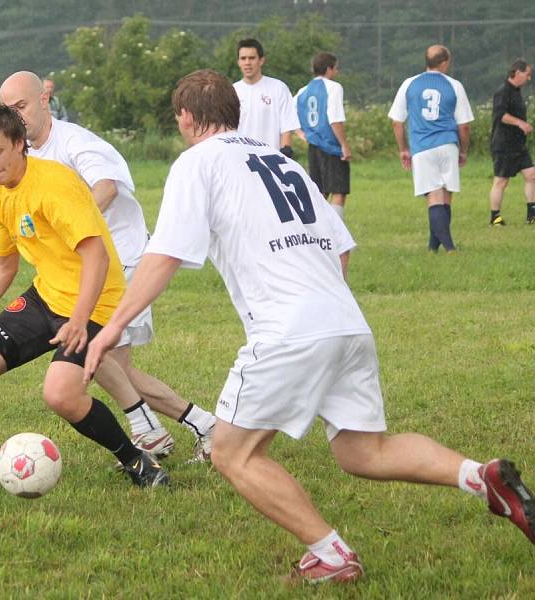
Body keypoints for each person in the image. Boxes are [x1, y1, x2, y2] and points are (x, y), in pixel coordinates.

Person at [84, 68, 535, 583]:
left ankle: (331, 554)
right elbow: (341, 249)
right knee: (364, 451)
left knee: (233, 453)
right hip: (346, 322)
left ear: (185, 118)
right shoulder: (282, 160)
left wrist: (111, 328)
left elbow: (162, 255)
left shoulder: (197, 162)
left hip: (289, 331)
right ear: (235, 112)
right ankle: (481, 478)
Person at [0, 73, 217, 463]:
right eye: (9, 110)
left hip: (120, 261)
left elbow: (105, 187)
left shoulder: (75, 143)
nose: (15, 116)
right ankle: (180, 427)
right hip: (64, 278)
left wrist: (66, 224)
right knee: (108, 363)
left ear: (44, 99)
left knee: (102, 359)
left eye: (20, 107)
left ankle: (165, 430)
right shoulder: (6, 156)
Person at [389, 45, 474, 253]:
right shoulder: (454, 85)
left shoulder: (409, 84)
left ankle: (448, 247)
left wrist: (403, 149)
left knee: (434, 197)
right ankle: (435, 247)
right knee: (445, 195)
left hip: (422, 147)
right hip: (447, 144)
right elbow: (464, 126)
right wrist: (463, 150)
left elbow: (397, 122)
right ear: (444, 62)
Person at [295, 52, 352, 220]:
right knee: (338, 190)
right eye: (336, 68)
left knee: (319, 192)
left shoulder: (303, 91)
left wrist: (301, 134)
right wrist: (344, 145)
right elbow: (335, 119)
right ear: (329, 69)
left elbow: (288, 114)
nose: (337, 72)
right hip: (330, 145)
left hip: (314, 145)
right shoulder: (334, 87)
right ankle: (335, 235)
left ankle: (316, 233)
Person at [233, 38, 300, 158]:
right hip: (241, 160)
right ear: (238, 62)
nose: (247, 62)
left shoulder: (278, 88)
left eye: (252, 58)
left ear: (261, 60)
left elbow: (286, 127)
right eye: (243, 58)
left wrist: (285, 156)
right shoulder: (232, 91)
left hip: (271, 160)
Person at [488, 59, 535, 226]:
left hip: (518, 144)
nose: (529, 78)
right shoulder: (503, 91)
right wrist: (521, 123)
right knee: (501, 181)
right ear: (517, 72)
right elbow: (501, 115)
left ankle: (532, 214)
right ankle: (495, 217)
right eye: (527, 74)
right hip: (504, 144)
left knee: (532, 175)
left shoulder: (517, 91)